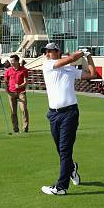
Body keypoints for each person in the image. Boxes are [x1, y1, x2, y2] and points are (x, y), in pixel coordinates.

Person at [40, 43, 97, 195]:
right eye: (46, 51)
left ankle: (61, 187)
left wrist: (88, 56)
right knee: (60, 148)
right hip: (53, 114)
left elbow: (92, 74)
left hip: (70, 113)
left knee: (65, 150)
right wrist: (81, 52)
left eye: (50, 51)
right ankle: (71, 168)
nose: (46, 54)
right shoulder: (48, 65)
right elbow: (70, 58)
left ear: (58, 52)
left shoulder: (70, 69)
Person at [3, 54, 29, 133]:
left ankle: (25, 127)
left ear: (17, 61)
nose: (11, 62)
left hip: (21, 92)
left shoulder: (24, 70)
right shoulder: (8, 70)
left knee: (23, 109)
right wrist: (6, 89)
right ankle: (15, 128)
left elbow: (26, 82)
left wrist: (20, 85)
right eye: (10, 61)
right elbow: (6, 81)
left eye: (13, 61)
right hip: (11, 93)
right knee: (13, 111)